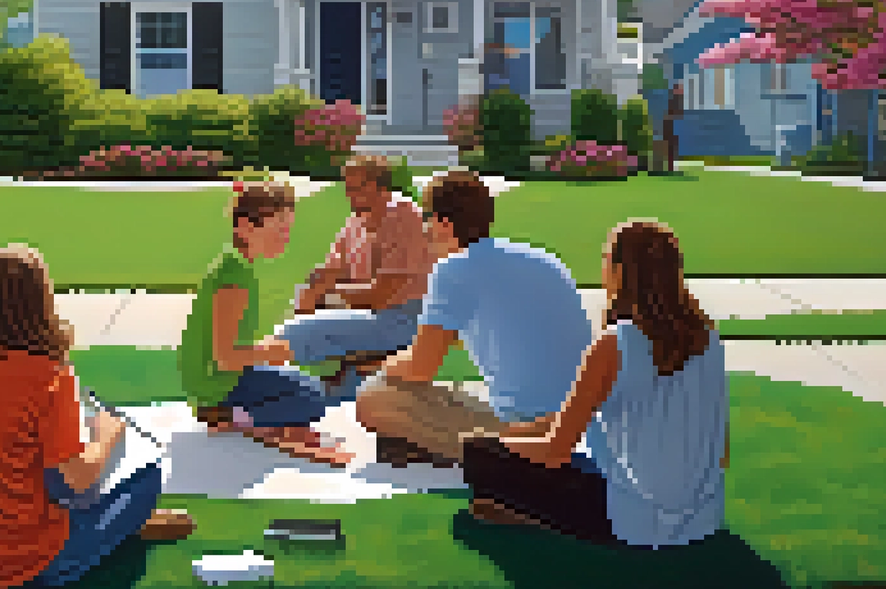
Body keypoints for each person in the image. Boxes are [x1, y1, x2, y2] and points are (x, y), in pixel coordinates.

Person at [0, 245, 194, 589]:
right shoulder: (49, 376)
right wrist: (108, 434)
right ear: (43, 303)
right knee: (148, 472)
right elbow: (78, 478)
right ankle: (121, 526)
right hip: (31, 564)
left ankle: (115, 524)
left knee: (42, 467)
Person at [461, 219, 730, 549]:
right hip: (703, 518)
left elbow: (554, 452)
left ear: (619, 272)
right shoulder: (709, 338)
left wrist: (498, 445)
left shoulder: (614, 344)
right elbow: (722, 454)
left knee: (477, 453)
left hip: (630, 520)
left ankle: (531, 517)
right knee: (540, 442)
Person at [355, 170, 591, 468]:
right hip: (578, 411)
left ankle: (510, 444)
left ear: (442, 223)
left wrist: (379, 367)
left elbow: (420, 368)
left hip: (525, 416)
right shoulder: (542, 258)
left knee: (373, 397)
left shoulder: (455, 270)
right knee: (452, 392)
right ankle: (529, 435)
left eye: (427, 218)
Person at [178, 181, 353, 466]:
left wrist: (267, 353)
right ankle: (229, 416)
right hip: (214, 382)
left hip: (219, 375)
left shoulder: (237, 265)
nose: (285, 238)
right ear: (245, 227)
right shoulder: (234, 278)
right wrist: (272, 353)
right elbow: (225, 358)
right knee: (312, 396)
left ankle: (238, 412)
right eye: (279, 230)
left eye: (288, 230)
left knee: (303, 383)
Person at [276, 155, 432, 397]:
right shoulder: (355, 222)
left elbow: (381, 296)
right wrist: (312, 294)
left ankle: (244, 390)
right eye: (348, 187)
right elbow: (329, 272)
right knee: (302, 314)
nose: (350, 194)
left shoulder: (401, 216)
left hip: (402, 318)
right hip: (368, 314)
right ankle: (334, 385)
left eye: (358, 187)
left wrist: (326, 294)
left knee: (295, 334)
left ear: (382, 186)